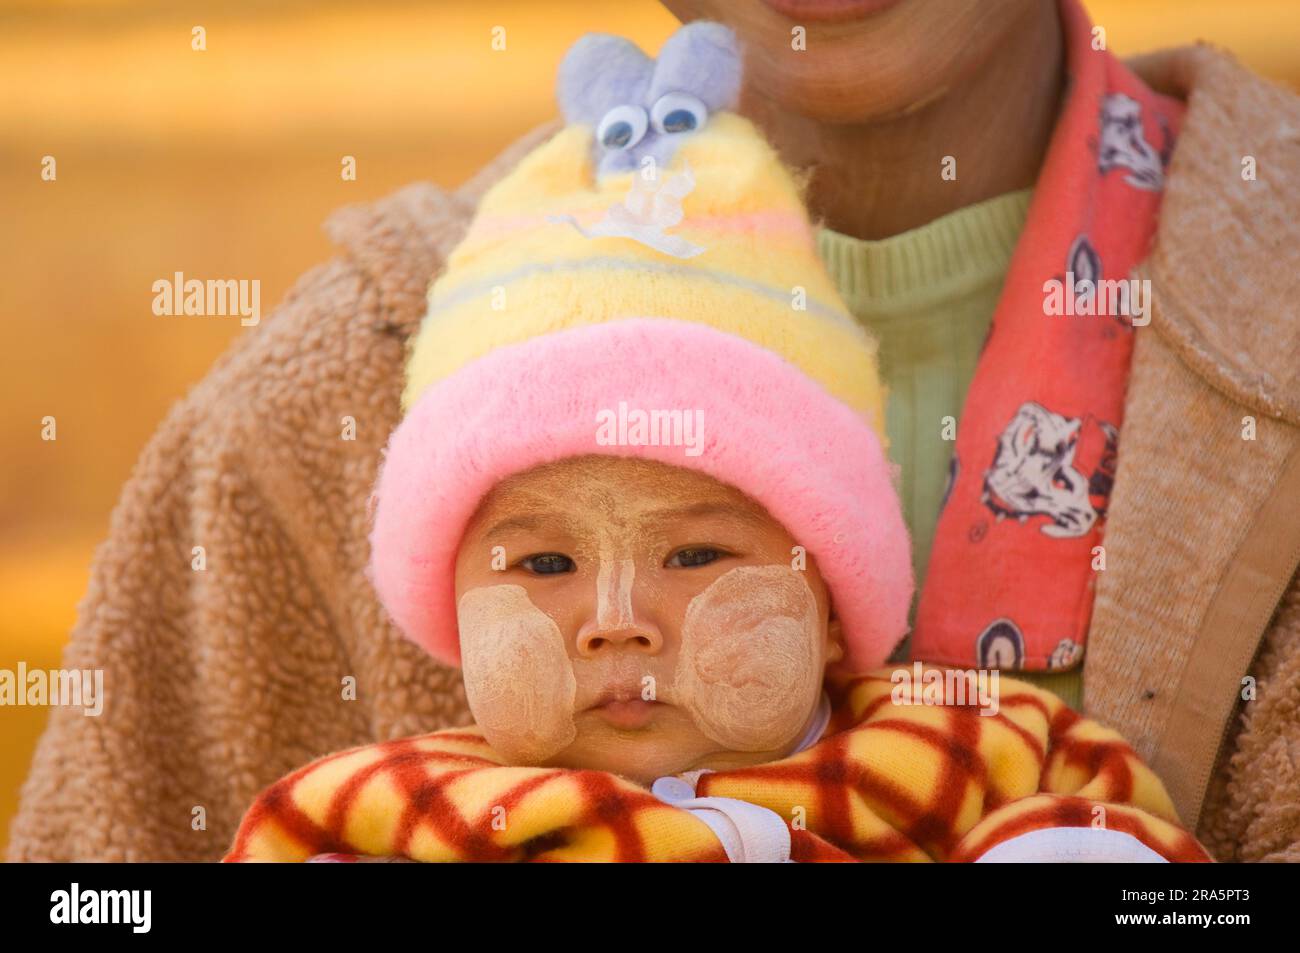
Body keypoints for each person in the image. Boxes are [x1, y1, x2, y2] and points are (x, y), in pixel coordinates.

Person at [10, 0, 1299, 862]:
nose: (618, 620)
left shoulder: (996, 760)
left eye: (696, 555)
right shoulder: (297, 421)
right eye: (543, 561)